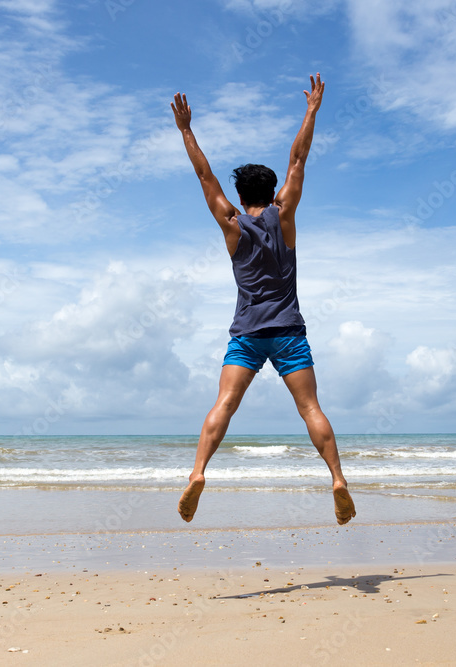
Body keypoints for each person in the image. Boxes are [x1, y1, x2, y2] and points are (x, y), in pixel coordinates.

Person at [170, 73, 355, 525]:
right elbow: (298, 159)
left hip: (248, 332)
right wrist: (311, 110)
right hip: (288, 330)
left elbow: (203, 174)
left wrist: (187, 131)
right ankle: (336, 478)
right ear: (272, 193)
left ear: (238, 196)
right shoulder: (284, 216)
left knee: (224, 405)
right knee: (310, 407)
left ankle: (197, 473)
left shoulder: (232, 224)